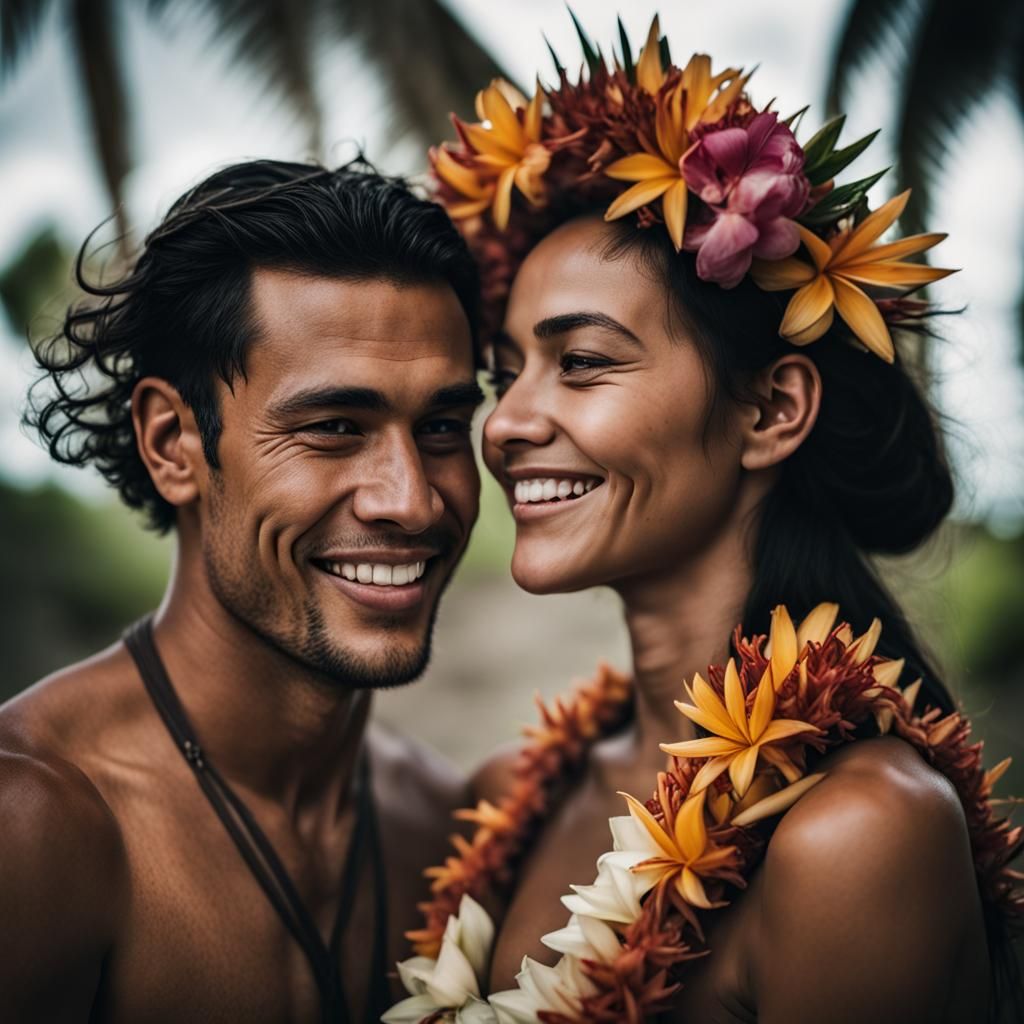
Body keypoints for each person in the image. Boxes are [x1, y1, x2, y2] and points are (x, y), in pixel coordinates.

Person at [384, 16, 1023, 1024]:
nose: (502, 424)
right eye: (505, 375)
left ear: (770, 411)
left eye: (581, 362)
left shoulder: (857, 832)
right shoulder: (508, 798)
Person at [0, 158, 487, 1023]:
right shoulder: (38, 828)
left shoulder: (441, 826)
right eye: (334, 427)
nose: (412, 500)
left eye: (443, 425)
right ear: (172, 443)